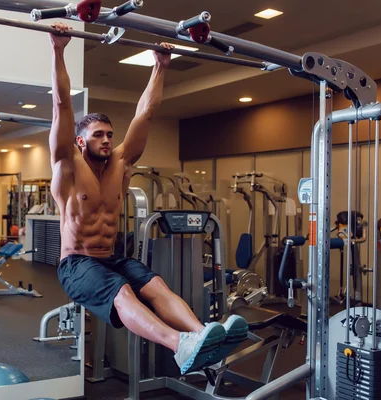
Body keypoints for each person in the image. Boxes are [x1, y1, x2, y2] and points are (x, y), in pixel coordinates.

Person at [47, 22, 248, 375]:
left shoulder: (121, 165)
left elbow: (146, 114)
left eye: (110, 134)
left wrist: (160, 66)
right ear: (81, 141)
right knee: (122, 291)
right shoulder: (66, 165)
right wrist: (59, 49)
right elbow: (62, 104)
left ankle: (203, 336)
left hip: (110, 258)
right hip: (76, 265)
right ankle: (179, 345)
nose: (107, 140)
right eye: (98, 135)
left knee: (155, 285)